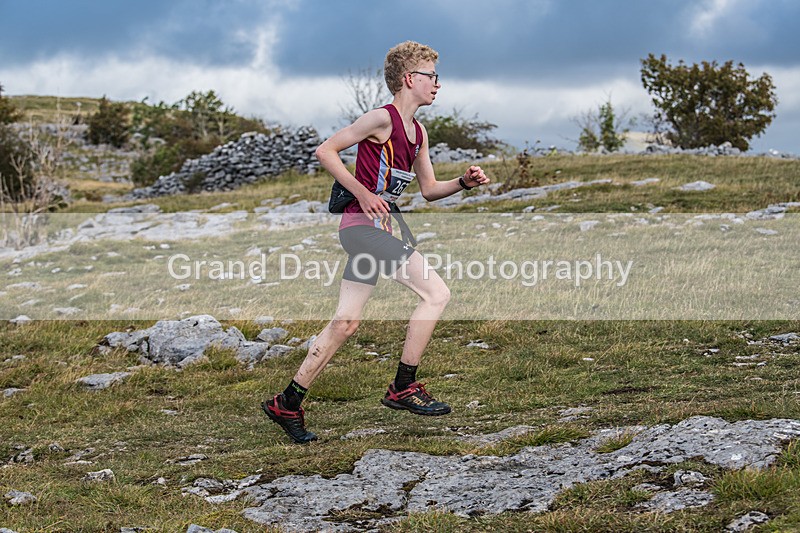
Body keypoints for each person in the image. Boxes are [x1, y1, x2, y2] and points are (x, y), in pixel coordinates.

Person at [262, 40, 490, 444]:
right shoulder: (379, 119)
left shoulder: (418, 133)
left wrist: (464, 183)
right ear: (409, 79)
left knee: (346, 323)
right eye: (432, 76)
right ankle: (404, 386)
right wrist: (362, 193)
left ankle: (288, 402)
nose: (438, 84)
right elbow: (326, 150)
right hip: (359, 228)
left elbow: (430, 189)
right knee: (436, 293)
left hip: (378, 233)